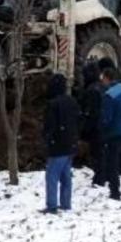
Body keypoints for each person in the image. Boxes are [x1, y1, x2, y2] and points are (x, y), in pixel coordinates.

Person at [41, 73, 80, 214]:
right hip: (71, 144)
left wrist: (46, 139)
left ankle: (51, 205)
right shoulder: (72, 101)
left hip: (57, 145)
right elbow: (78, 121)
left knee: (52, 176)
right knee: (66, 176)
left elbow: (49, 126)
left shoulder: (52, 105)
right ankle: (66, 203)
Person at [100, 66, 121, 200]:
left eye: (102, 78)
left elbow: (106, 118)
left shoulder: (109, 95)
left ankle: (114, 192)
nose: (102, 81)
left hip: (114, 133)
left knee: (112, 164)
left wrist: (102, 129)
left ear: (107, 78)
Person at [78, 60, 105, 186]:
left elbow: (91, 112)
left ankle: (100, 178)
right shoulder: (102, 87)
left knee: (97, 152)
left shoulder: (92, 90)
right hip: (104, 125)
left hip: (96, 127)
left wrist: (84, 129)